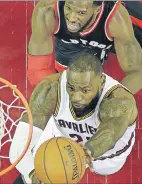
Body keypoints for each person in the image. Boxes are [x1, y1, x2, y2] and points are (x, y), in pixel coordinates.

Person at [10, 51, 138, 184]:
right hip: (61, 141)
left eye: (85, 90)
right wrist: (33, 174)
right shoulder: (50, 89)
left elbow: (108, 135)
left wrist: (83, 154)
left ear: (101, 82)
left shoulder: (119, 102)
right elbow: (18, 150)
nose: (76, 97)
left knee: (62, 171)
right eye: (71, 88)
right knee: (35, 169)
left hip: (107, 159)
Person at [27, 0, 142, 94]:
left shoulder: (116, 19)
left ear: (97, 10)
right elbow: (38, 70)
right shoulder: (47, 10)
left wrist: (107, 100)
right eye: (69, 8)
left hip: (123, 29)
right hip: (75, 38)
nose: (71, 18)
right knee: (72, 80)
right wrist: (54, 98)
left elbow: (137, 73)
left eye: (80, 12)